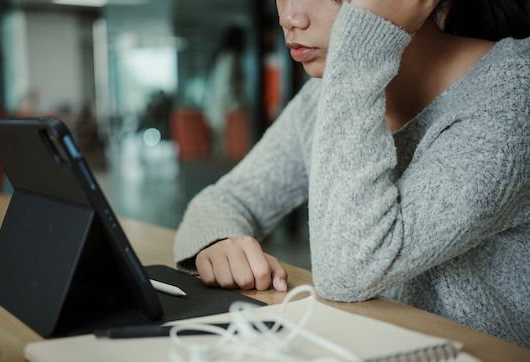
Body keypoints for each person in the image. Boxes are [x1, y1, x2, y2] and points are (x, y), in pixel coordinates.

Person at [173, 0, 530, 348]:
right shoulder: (325, 97)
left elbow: (349, 272)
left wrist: (362, 46)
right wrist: (217, 242)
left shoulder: (513, 89)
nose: (289, 17)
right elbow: (224, 200)